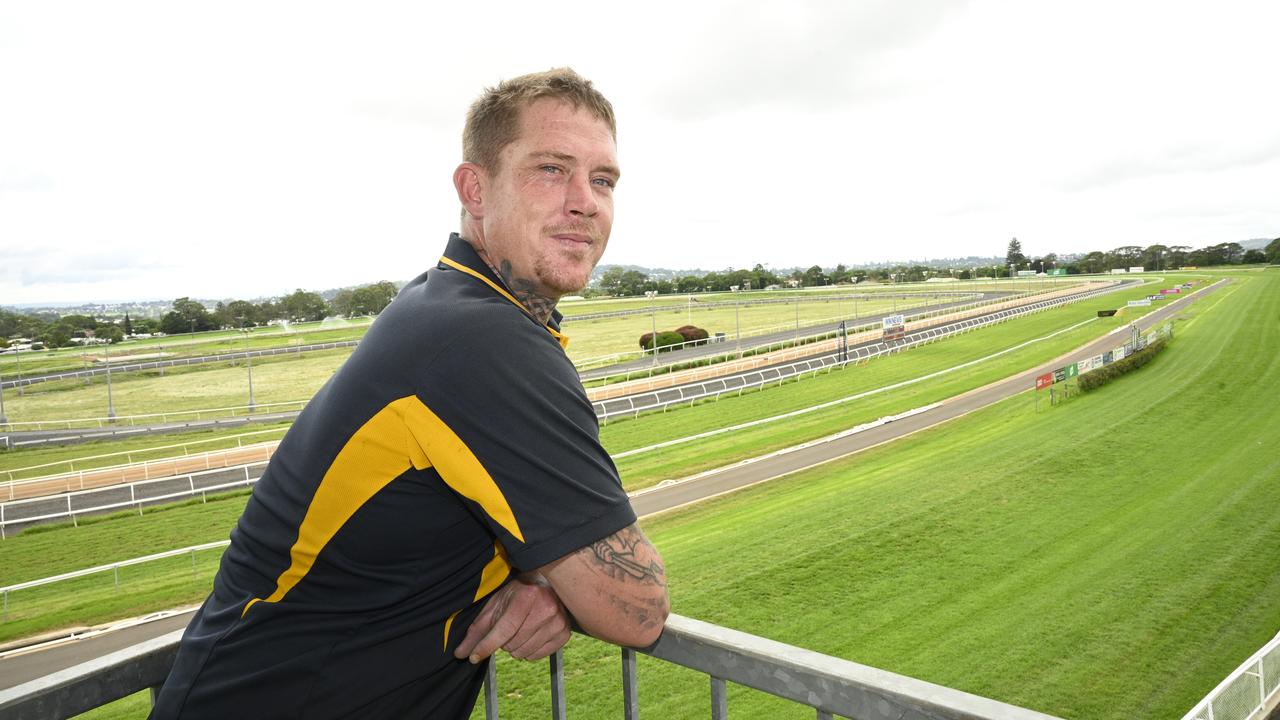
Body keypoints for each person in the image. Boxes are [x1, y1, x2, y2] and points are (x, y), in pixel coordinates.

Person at [150, 67, 668, 719]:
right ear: (475, 189)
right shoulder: (483, 342)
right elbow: (640, 608)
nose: (584, 201)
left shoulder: (450, 303)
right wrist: (571, 586)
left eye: (603, 180)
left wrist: (549, 580)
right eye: (550, 169)